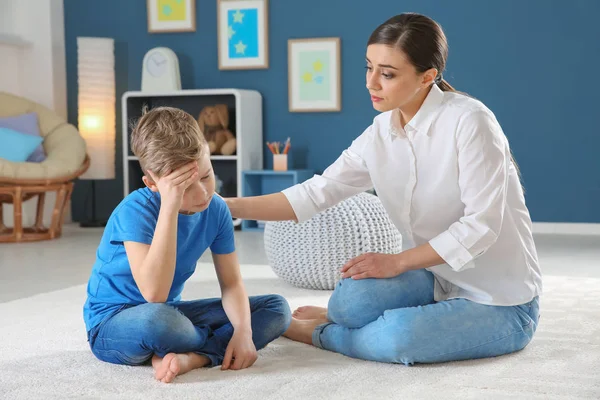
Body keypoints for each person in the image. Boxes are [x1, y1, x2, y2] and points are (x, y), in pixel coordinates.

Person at [225, 13, 542, 365]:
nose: (371, 82)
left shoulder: (470, 122)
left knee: (398, 337)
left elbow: (480, 228)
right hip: (435, 281)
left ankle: (321, 334)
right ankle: (343, 319)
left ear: (427, 77)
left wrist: (398, 262)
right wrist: (227, 206)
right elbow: (317, 193)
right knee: (350, 303)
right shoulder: (380, 132)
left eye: (387, 74)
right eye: (368, 67)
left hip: (499, 300)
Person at [83, 107, 291, 383]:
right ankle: (195, 344)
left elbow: (231, 284)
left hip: (174, 315)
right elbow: (155, 294)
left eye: (206, 176)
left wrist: (243, 331)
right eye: (184, 187)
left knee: (276, 309)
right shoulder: (134, 210)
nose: (203, 193)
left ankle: (195, 357)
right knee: (159, 322)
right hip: (114, 323)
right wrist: (169, 205)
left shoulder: (216, 209)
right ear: (152, 183)